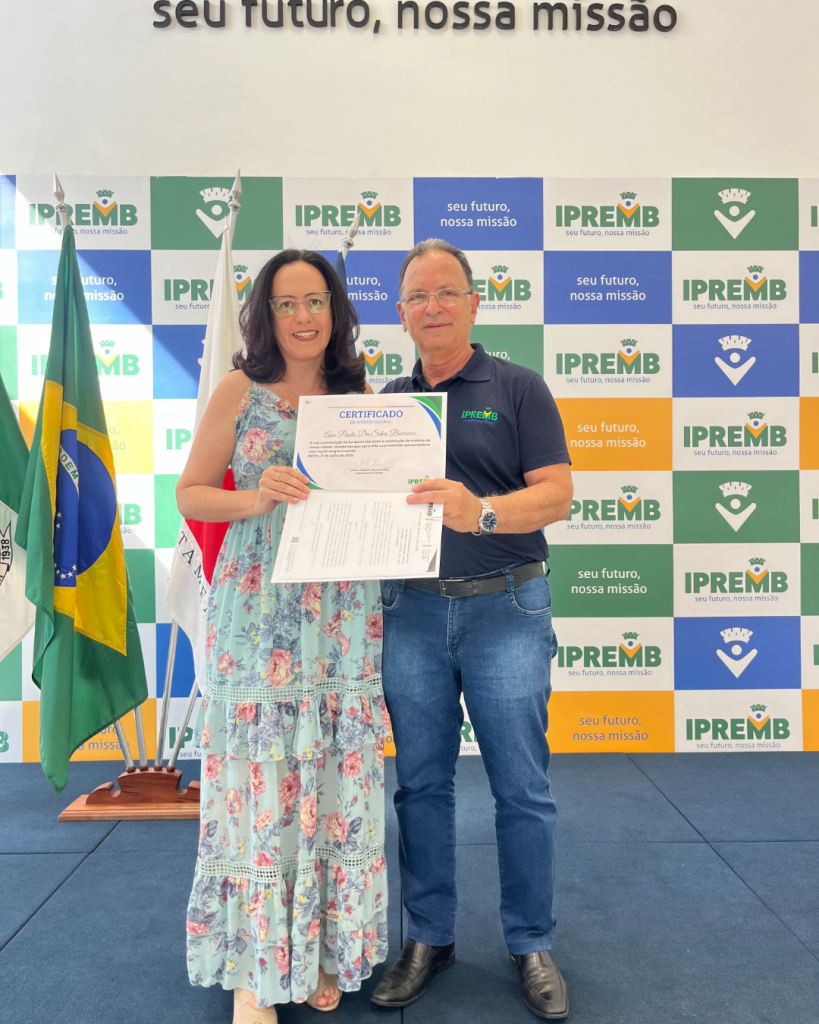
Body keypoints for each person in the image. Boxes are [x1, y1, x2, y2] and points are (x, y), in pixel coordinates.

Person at [178, 250, 390, 1024]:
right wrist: (254, 496)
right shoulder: (239, 389)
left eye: (316, 300)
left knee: (333, 777)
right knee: (260, 780)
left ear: (337, 311)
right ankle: (254, 971)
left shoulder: (360, 395)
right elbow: (189, 493)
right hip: (257, 608)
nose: (303, 316)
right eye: (285, 303)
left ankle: (321, 947)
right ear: (264, 315)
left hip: (340, 610)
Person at [370, 239, 573, 1020]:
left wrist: (480, 512)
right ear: (401, 313)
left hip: (505, 611)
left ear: (473, 303)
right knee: (419, 786)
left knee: (521, 788)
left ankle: (530, 942)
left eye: (446, 292)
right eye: (418, 296)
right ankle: (429, 937)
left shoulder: (518, 388)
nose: (433, 307)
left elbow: (555, 495)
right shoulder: (385, 404)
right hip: (410, 615)